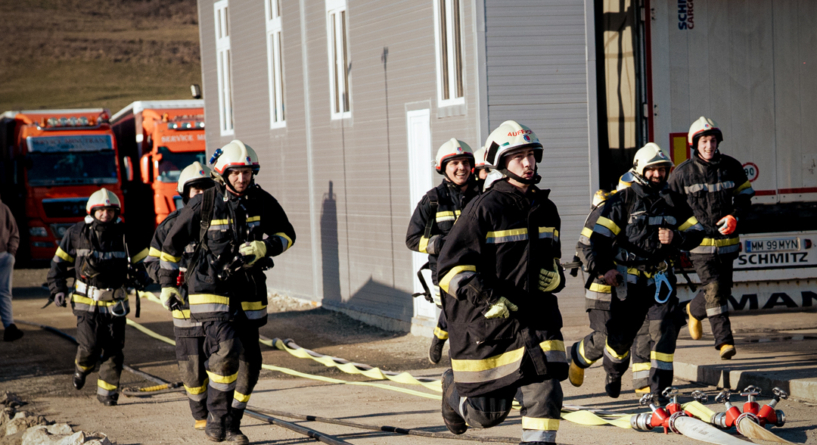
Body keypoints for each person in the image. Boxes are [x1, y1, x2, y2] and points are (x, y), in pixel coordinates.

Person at [437, 120, 567, 445]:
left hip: (537, 322)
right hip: (492, 328)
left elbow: (553, 260)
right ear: (500, 162)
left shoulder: (547, 210)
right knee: (486, 414)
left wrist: (556, 278)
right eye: (518, 156)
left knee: (547, 390)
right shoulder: (482, 210)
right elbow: (450, 269)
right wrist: (487, 298)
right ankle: (452, 390)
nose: (528, 163)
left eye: (531, 155)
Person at [159, 140, 296, 443]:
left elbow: (288, 234)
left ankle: (233, 422)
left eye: (247, 172)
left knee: (250, 363)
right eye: (236, 173)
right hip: (210, 288)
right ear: (223, 173)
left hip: (248, 289)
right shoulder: (203, 203)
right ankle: (216, 419)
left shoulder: (261, 201)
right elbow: (170, 246)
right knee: (225, 350)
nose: (242, 178)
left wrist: (266, 246)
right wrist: (168, 285)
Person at [587, 143, 704, 398]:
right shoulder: (621, 201)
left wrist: (676, 238)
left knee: (665, 331)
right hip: (628, 285)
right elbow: (599, 241)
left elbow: (697, 232)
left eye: (663, 170)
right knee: (619, 339)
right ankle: (614, 371)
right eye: (654, 170)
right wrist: (605, 270)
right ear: (640, 170)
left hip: (661, 281)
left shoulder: (673, 201)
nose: (659, 175)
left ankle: (660, 391)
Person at [47, 188, 149, 406]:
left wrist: (143, 276)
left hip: (116, 303)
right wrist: (58, 290)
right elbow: (57, 264)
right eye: (101, 210)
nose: (105, 215)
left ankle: (108, 394)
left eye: (110, 211)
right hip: (87, 302)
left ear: (116, 212)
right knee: (90, 346)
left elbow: (145, 263)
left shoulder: (125, 233)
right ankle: (82, 368)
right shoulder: (76, 233)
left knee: (114, 349)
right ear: (92, 211)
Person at [669, 117, 754, 360]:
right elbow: (674, 211)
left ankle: (693, 311)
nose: (709, 145)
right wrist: (689, 232)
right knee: (715, 288)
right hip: (699, 247)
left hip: (728, 245)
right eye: (704, 141)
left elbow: (745, 198)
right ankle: (724, 341)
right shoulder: (681, 174)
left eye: (713, 140)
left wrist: (735, 217)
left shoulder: (732, 166)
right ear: (695, 143)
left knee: (721, 290)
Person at [145, 162, 214, 430]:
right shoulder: (170, 226)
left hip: (218, 310)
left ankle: (220, 413)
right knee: (192, 369)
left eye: (206, 189)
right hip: (185, 311)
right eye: (195, 190)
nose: (200, 195)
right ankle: (201, 414)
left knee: (223, 363)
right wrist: (171, 278)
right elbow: (152, 261)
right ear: (184, 193)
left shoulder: (224, 221)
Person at [568, 182, 652, 394]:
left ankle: (638, 382)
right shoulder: (604, 211)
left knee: (638, 332)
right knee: (605, 338)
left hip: (630, 289)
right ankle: (579, 356)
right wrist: (602, 270)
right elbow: (584, 246)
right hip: (603, 290)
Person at [406, 138, 478, 364]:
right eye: (454, 163)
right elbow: (412, 239)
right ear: (443, 168)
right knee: (454, 316)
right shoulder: (433, 200)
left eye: (465, 162)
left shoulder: (483, 195)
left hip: (479, 268)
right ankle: (442, 340)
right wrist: (438, 244)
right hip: (445, 271)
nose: (461, 168)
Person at [0, 197, 22, 342]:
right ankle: (9, 327)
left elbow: (14, 233)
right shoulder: (4, 208)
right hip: (5, 255)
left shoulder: (3, 208)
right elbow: (14, 233)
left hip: (5, 256)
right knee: (5, 293)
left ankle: (10, 327)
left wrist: (10, 254)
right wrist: (11, 253)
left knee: (4, 292)